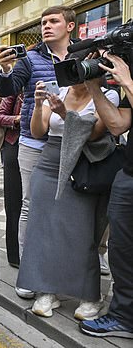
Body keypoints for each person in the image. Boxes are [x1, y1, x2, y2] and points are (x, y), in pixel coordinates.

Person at [17, 79, 118, 319]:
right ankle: (47, 290)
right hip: (49, 161)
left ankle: (90, 295)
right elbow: (38, 131)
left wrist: (64, 112)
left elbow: (94, 134)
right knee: (43, 229)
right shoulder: (60, 90)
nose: (73, 72)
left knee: (81, 232)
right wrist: (39, 104)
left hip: (83, 164)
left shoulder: (107, 95)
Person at [0, 5, 76, 299]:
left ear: (69, 26)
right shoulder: (29, 58)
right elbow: (8, 90)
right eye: (43, 22)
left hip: (72, 139)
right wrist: (5, 70)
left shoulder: (82, 54)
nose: (46, 26)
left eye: (53, 21)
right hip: (33, 141)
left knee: (69, 204)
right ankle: (29, 272)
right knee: (31, 204)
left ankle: (65, 266)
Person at [80, 53, 133, 339]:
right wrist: (94, 88)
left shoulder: (129, 80)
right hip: (128, 175)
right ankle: (124, 317)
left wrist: (127, 81)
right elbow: (117, 125)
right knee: (122, 252)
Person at [0, 93, 23, 267]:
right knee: (14, 202)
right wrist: (17, 119)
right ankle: (15, 255)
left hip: (41, 146)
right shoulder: (17, 87)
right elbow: (0, 116)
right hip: (15, 145)